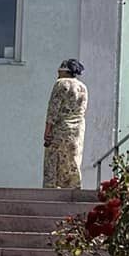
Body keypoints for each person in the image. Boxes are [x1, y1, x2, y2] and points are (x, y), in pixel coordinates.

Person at [42, 57, 87, 189]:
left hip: (60, 129)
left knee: (54, 161)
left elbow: (53, 109)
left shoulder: (61, 84)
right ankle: (73, 187)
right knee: (73, 160)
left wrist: (47, 130)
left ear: (64, 71)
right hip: (77, 130)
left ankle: (52, 189)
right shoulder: (83, 87)